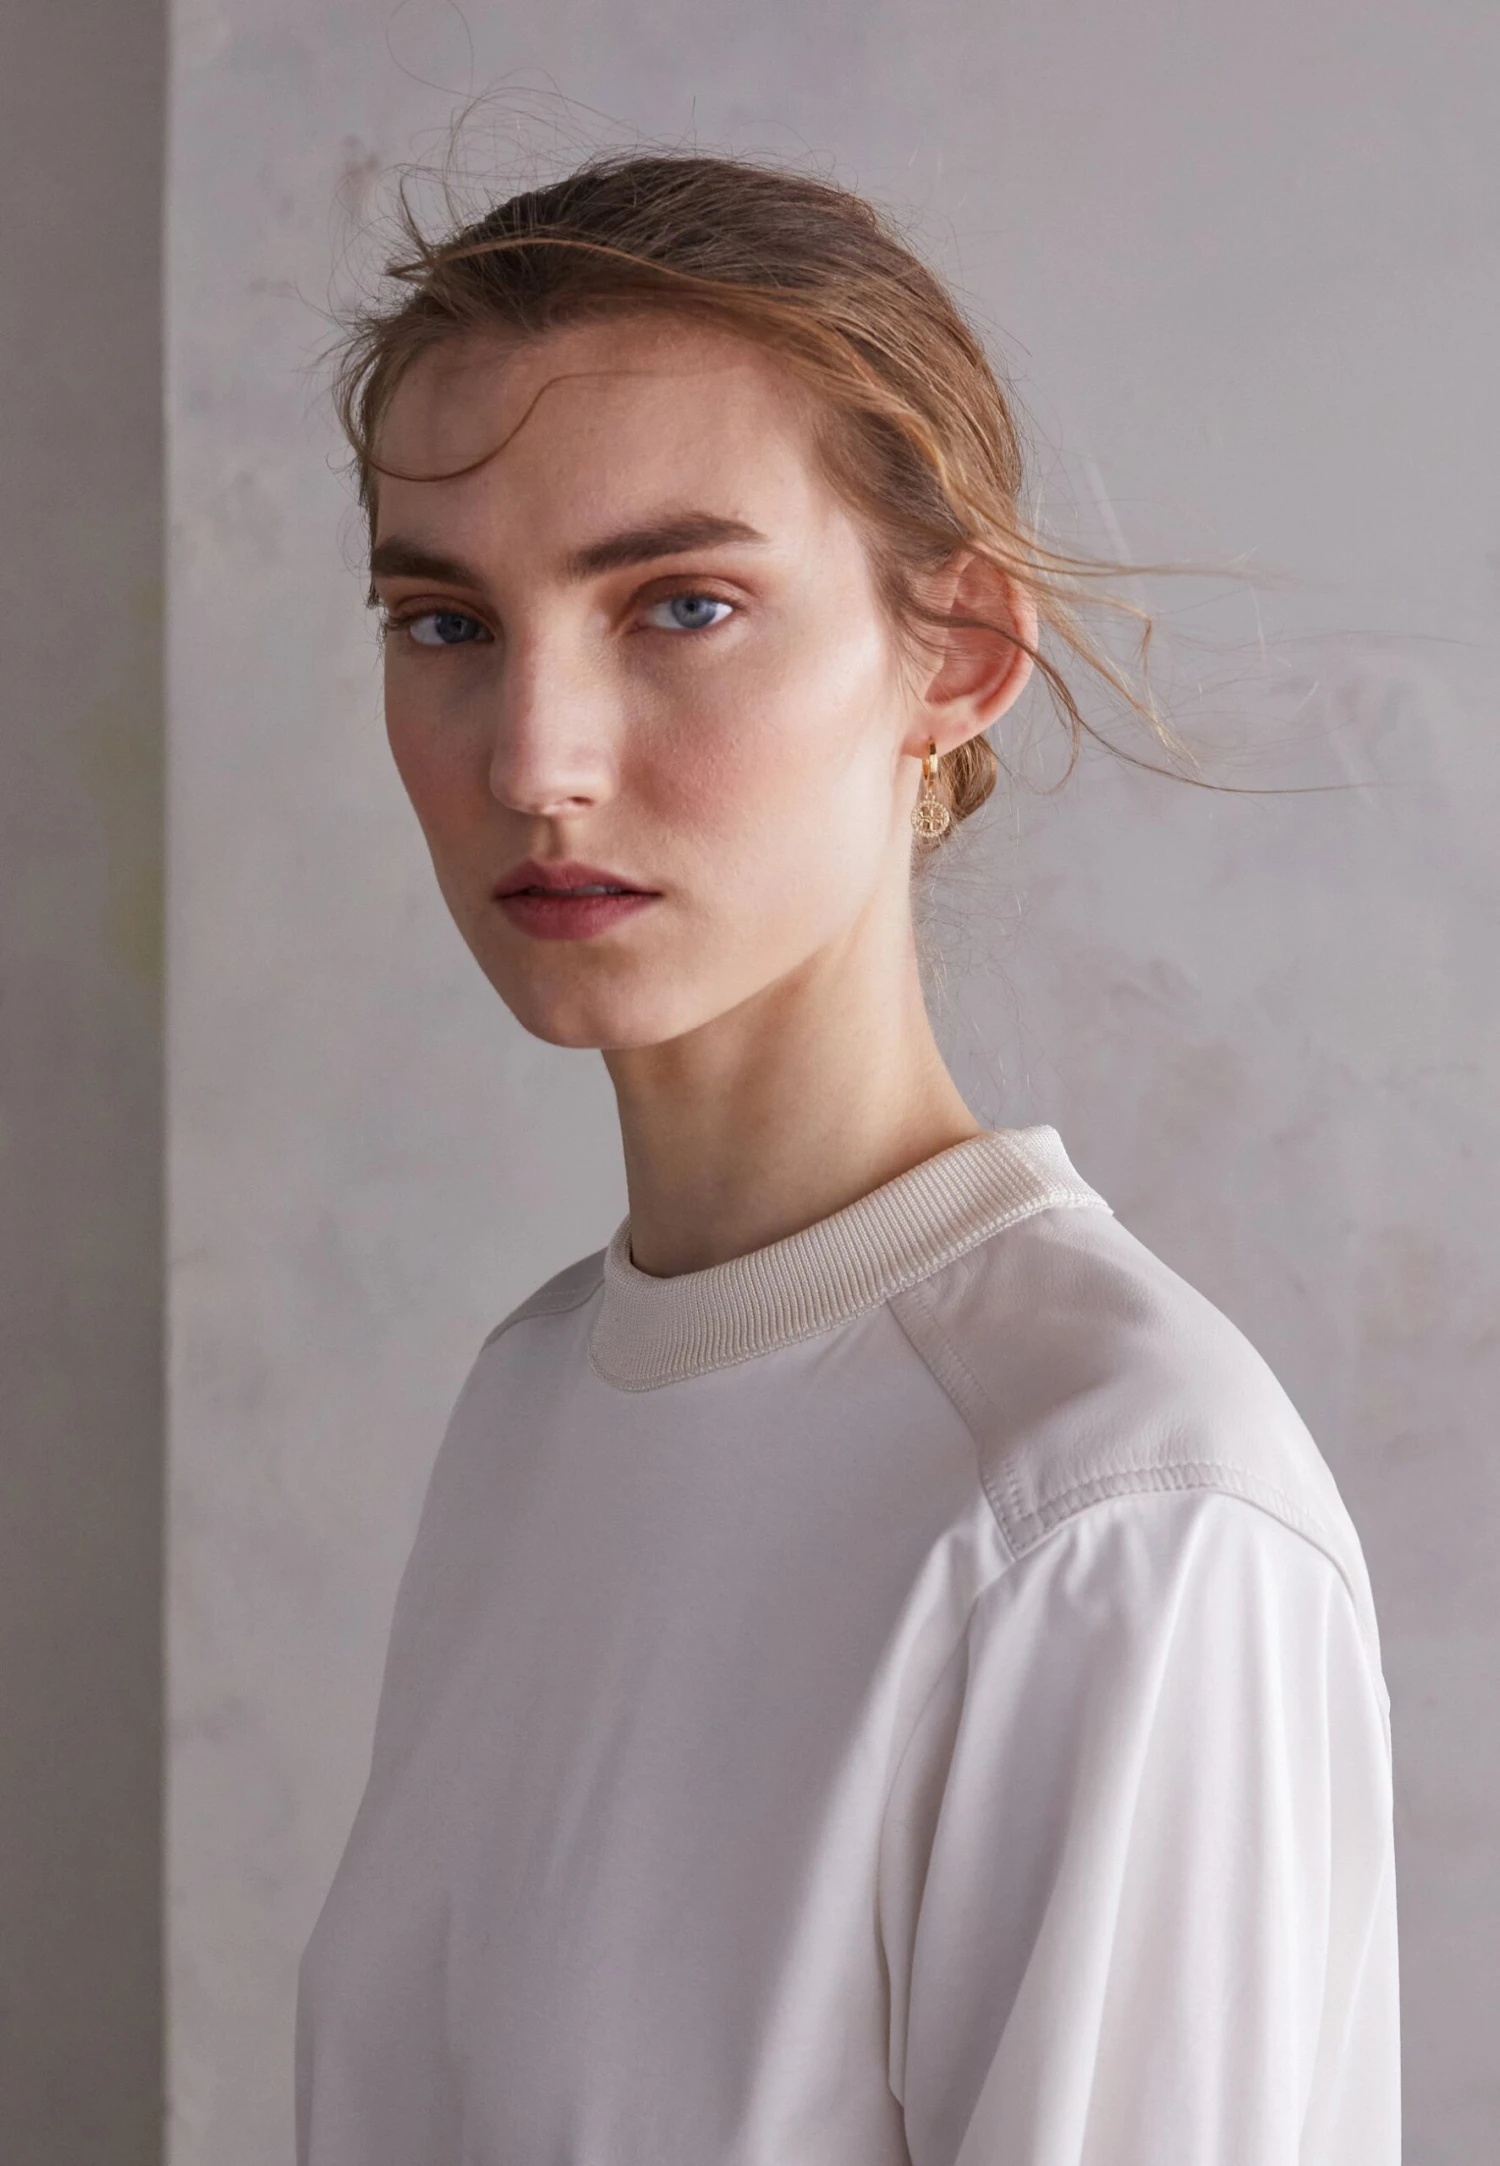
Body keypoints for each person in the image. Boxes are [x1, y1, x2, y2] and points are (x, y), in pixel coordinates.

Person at [295, 150, 1399, 2165]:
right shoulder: (535, 1398)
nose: (534, 758)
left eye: (682, 604)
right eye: (445, 620)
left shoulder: (1111, 1515)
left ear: (957, 650)